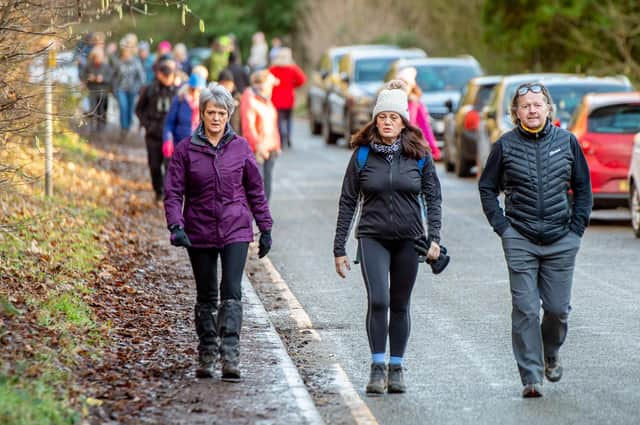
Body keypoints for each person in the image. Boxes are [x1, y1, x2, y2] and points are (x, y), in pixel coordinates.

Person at [478, 82, 592, 398]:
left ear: (548, 109)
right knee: (526, 308)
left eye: (537, 104)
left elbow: (583, 189)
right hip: (520, 238)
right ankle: (531, 376)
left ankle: (550, 352)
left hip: (561, 238)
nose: (531, 110)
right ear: (516, 111)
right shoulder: (505, 145)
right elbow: (487, 188)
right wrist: (503, 227)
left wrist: (577, 229)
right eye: (525, 105)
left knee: (557, 310)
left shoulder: (568, 143)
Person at [333, 80, 443, 395]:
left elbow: (433, 197)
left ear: (403, 121)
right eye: (383, 117)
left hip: (410, 239)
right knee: (379, 300)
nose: (387, 123)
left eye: (394, 117)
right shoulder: (362, 156)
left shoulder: (419, 155)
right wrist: (339, 247)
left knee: (400, 303)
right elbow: (347, 201)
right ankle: (377, 365)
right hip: (372, 237)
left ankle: (396, 368)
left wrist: (434, 236)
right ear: (375, 119)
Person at [163, 84, 273, 381]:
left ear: (229, 115)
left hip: (235, 227)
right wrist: (176, 224)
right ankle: (207, 350)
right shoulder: (187, 149)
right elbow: (173, 191)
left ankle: (230, 354)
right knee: (207, 293)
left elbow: (255, 189)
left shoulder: (240, 147)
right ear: (202, 114)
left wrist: (265, 226)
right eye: (211, 112)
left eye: (221, 113)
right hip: (198, 229)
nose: (215, 118)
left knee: (232, 290)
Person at [135, 59, 179, 201]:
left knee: (169, 166)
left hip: (169, 136)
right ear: (159, 75)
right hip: (153, 134)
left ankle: (167, 192)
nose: (167, 79)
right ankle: (157, 190)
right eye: (165, 76)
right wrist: (147, 124)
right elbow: (139, 109)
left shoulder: (177, 92)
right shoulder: (150, 89)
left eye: (170, 76)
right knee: (154, 165)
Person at [240, 70, 281, 202]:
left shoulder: (266, 100)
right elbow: (248, 128)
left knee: (266, 191)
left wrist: (276, 144)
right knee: (256, 191)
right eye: (270, 85)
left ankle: (262, 221)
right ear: (262, 84)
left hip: (270, 150)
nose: (272, 88)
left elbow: (272, 126)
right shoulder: (250, 99)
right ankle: (249, 221)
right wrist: (258, 146)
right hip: (258, 152)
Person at [396, 67, 442, 160]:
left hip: (408, 144)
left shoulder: (415, 104)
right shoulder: (390, 102)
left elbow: (425, 127)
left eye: (406, 83)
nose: (403, 87)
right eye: (400, 83)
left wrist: (433, 149)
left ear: (412, 86)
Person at [162, 72, 206, 159]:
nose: (195, 93)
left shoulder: (205, 105)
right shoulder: (179, 100)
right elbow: (169, 123)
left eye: (199, 90)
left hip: (198, 148)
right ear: (188, 88)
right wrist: (168, 140)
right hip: (179, 145)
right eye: (193, 89)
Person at [269, 47, 306, 149]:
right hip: (289, 98)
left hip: (276, 99)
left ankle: (281, 139)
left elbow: (267, 80)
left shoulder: (273, 69)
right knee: (289, 119)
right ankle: (289, 137)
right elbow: (302, 79)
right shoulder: (292, 68)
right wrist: (294, 85)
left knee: (279, 120)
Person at [112, 39, 145, 136]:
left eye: (127, 52)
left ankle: (129, 125)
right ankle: (124, 127)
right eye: (124, 52)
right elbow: (114, 76)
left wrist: (137, 87)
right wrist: (115, 88)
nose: (125, 54)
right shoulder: (119, 62)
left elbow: (141, 77)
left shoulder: (136, 62)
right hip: (121, 89)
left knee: (130, 109)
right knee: (123, 107)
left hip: (132, 90)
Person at [80, 46, 113, 132]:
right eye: (95, 57)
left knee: (102, 109)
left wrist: (103, 78)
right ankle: (92, 126)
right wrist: (89, 78)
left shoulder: (106, 66)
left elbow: (111, 77)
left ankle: (101, 126)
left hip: (103, 91)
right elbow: (82, 75)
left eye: (98, 57)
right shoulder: (88, 65)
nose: (97, 59)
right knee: (92, 108)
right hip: (92, 90)